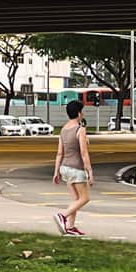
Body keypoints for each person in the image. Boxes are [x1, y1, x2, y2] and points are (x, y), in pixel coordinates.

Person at [52, 99, 93, 236]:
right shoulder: (80, 130)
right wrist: (90, 172)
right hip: (76, 168)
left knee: (75, 199)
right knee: (84, 198)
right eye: (82, 111)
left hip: (65, 168)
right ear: (78, 113)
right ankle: (63, 216)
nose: (83, 113)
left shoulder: (63, 130)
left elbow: (59, 153)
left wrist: (56, 171)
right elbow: (83, 153)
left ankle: (70, 227)